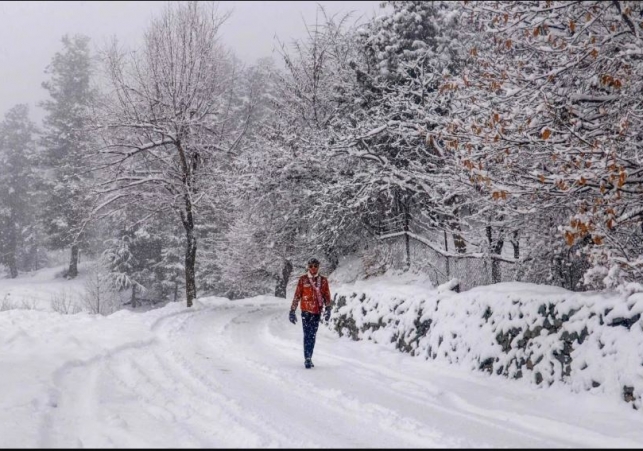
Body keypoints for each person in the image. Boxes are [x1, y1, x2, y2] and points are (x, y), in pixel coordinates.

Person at [289, 257, 332, 369]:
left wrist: (328, 309)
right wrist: (292, 311)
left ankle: (310, 356)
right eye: (311, 266)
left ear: (318, 267)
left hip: (317, 311)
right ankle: (307, 358)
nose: (313, 268)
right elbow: (297, 295)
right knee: (307, 335)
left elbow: (327, 296)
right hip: (306, 312)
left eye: (315, 266)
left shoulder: (323, 280)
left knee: (312, 336)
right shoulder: (303, 280)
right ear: (308, 267)